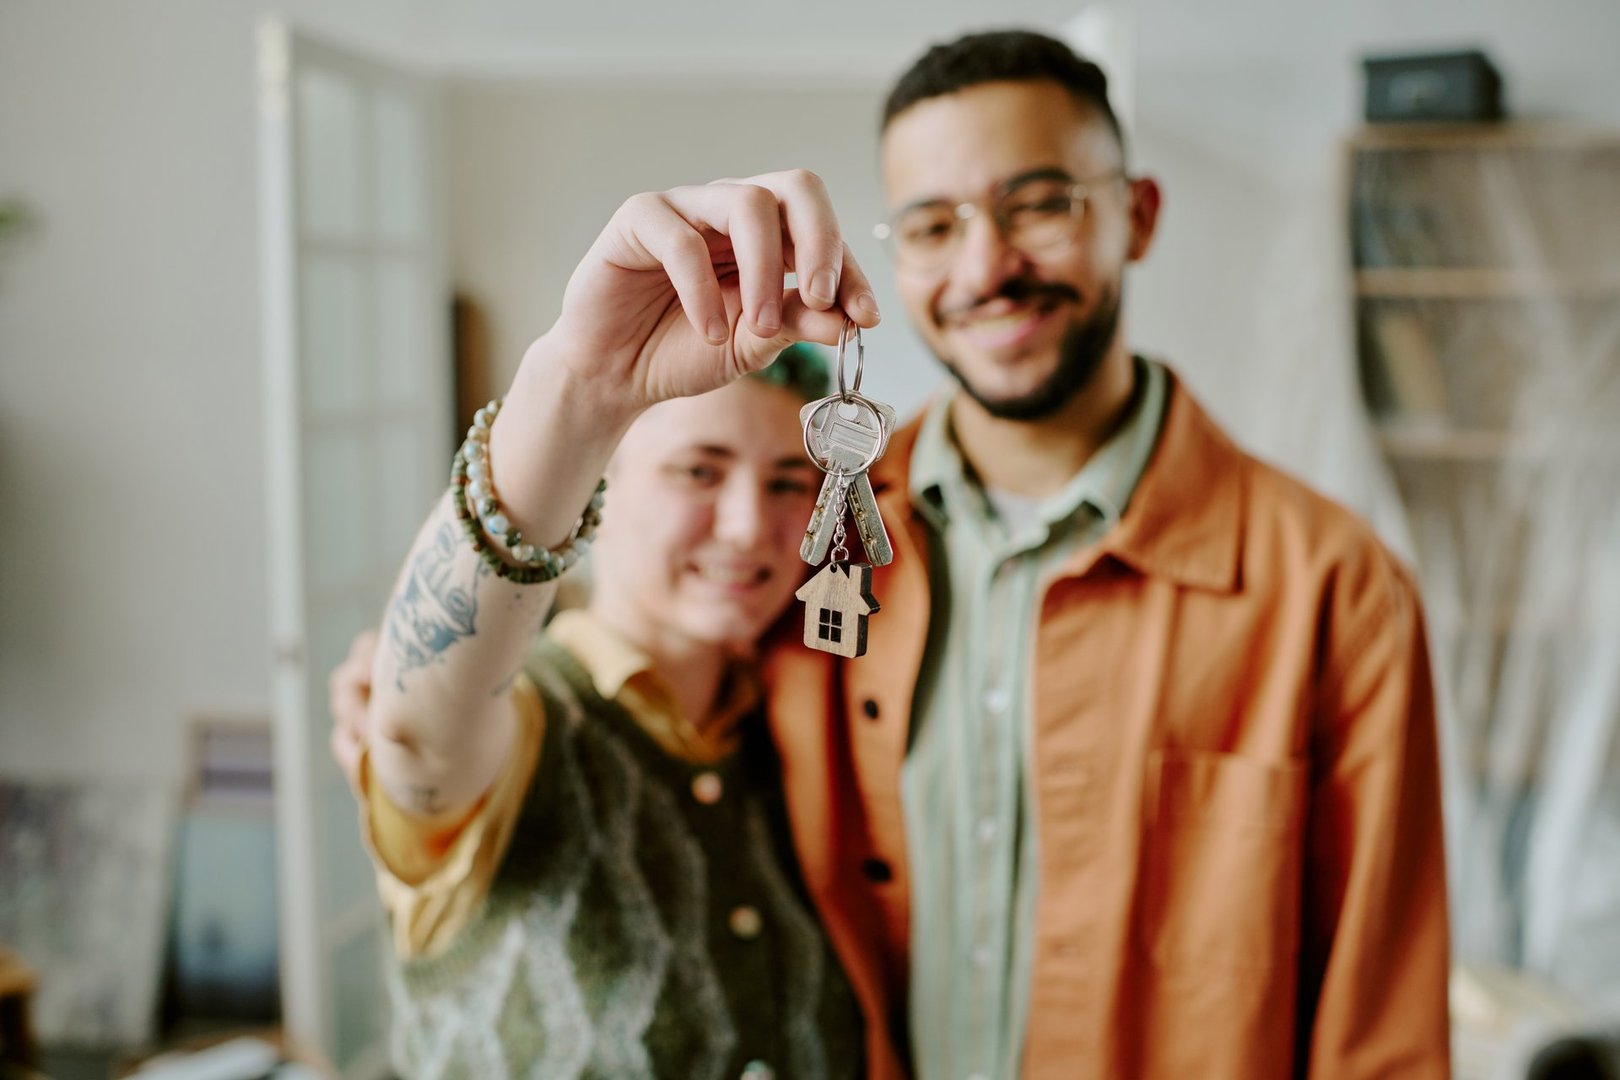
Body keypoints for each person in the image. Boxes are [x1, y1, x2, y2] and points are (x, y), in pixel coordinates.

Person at [754, 28, 1451, 1080]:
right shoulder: (815, 543)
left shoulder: (1334, 590)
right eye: (936, 226)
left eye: (1039, 203)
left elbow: (1384, 1036)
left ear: (1139, 215)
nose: (988, 267)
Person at [336, 337, 873, 1078]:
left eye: (788, 482)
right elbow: (417, 740)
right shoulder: (522, 726)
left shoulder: (793, 728)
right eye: (699, 471)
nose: (750, 525)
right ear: (599, 484)